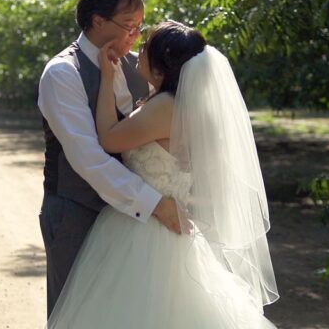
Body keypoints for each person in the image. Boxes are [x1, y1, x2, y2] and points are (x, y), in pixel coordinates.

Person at [47, 20, 280, 328]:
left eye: (146, 48)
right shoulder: (183, 106)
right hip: (168, 220)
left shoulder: (164, 108)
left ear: (160, 68)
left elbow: (108, 138)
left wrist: (106, 77)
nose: (138, 49)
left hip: (145, 226)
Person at [38, 0, 183, 316]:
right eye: (130, 26)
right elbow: (88, 159)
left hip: (131, 219)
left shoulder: (140, 66)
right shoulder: (62, 73)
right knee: (74, 313)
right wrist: (155, 203)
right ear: (97, 21)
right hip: (77, 211)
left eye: (140, 27)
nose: (136, 36)